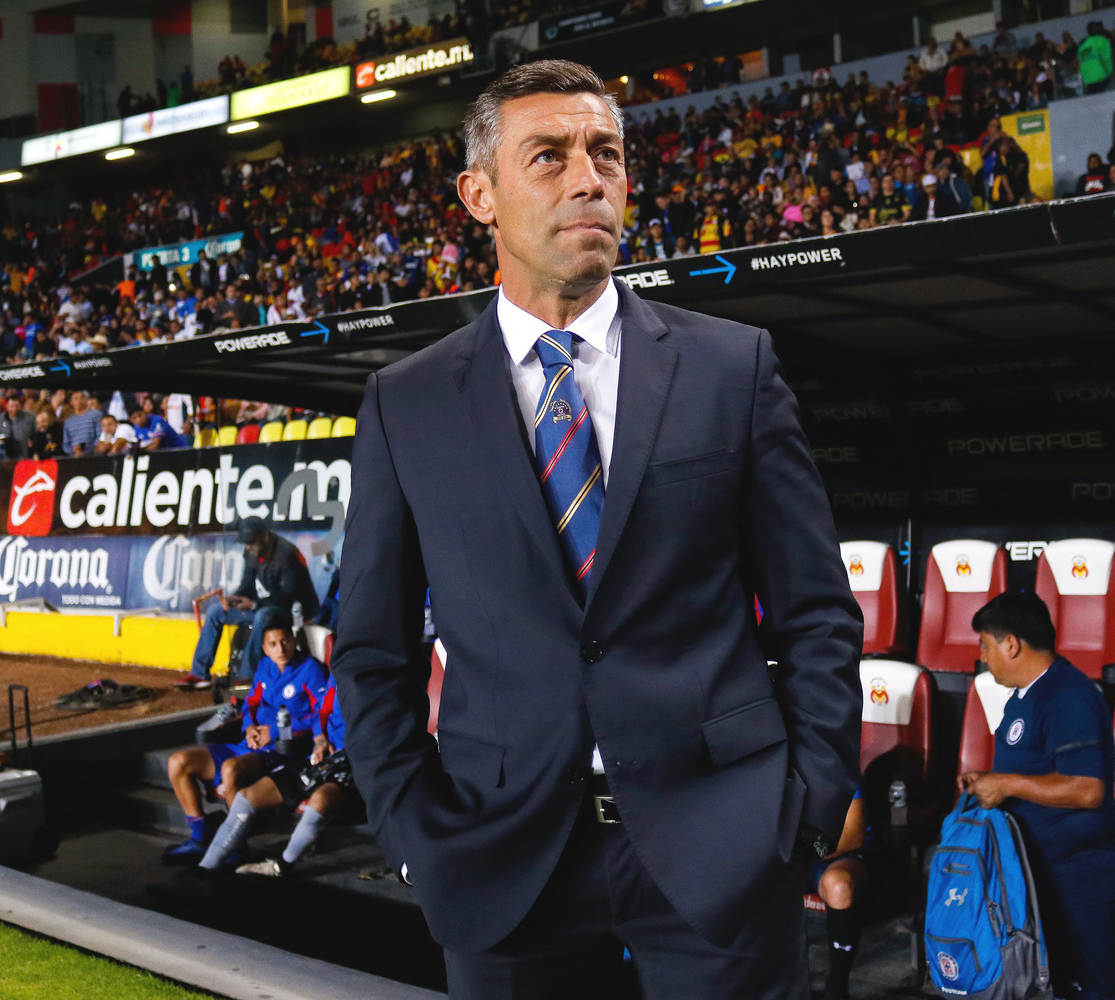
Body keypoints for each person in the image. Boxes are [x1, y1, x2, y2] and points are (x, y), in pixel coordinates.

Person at [333, 60, 863, 999]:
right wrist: (414, 834)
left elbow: (817, 612)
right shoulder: (404, 403)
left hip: (725, 846)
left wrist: (805, 817)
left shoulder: (732, 367)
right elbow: (373, 651)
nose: (589, 178)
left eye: (605, 153)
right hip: (499, 857)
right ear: (480, 196)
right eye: (549, 156)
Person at [958, 591, 1115, 1000]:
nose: (982, 657)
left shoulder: (1068, 696)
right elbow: (1034, 769)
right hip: (1043, 875)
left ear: (1011, 644)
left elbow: (1088, 788)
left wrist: (1006, 784)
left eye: (985, 645)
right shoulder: (1025, 695)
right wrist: (989, 780)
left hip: (1082, 878)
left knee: (1105, 989)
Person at [162, 624, 330, 864]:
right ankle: (200, 838)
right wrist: (249, 728)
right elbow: (250, 704)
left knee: (231, 769)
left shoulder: (311, 669)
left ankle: (235, 845)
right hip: (249, 744)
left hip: (282, 749)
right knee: (178, 762)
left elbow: (321, 715)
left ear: (294, 642)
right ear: (265, 648)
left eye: (285, 642)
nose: (280, 649)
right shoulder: (264, 667)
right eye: (273, 644)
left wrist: (276, 731)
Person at [230, 668, 361, 877]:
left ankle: (279, 867)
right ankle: (209, 866)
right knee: (248, 796)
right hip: (327, 755)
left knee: (320, 799)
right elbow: (322, 712)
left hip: (360, 761)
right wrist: (320, 740)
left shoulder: (388, 673)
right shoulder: (340, 669)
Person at [176, 517, 319, 691]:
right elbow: (247, 585)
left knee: (262, 615)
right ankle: (199, 674)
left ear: (264, 536)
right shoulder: (252, 552)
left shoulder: (286, 554)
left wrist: (253, 605)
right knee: (216, 610)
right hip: (264, 607)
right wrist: (235, 598)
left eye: (251, 542)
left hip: (292, 611)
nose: (248, 547)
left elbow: (288, 596)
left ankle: (246, 676)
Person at [809, 792, 876, 1000]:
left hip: (841, 855)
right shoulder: (766, 774)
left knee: (839, 886)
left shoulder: (838, 771)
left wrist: (796, 854)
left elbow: (852, 836)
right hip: (789, 856)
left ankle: (837, 990)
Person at [61, 391, 103, 456]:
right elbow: (65, 444)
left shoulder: (96, 414)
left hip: (93, 455)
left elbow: (100, 435)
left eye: (81, 398)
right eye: (76, 398)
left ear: (85, 400)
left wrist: (91, 448)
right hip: (75, 457)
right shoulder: (68, 422)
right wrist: (73, 450)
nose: (79, 401)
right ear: (71, 402)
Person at [1077, 22, 1113, 95]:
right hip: (1101, 75)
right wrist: (1110, 72)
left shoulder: (1083, 45)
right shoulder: (1102, 40)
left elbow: (1080, 60)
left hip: (1088, 78)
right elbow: (1107, 58)